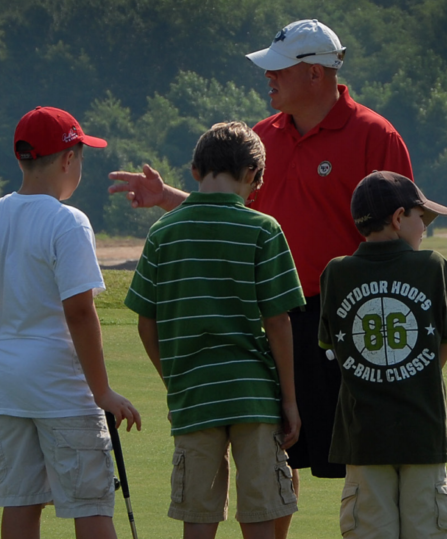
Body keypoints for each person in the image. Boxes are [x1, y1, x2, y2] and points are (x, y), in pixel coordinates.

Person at [107, 24, 414, 533]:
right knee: (276, 460)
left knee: (363, 458)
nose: (268, 76)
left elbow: (403, 235)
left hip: (348, 319)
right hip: (272, 323)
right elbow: (228, 219)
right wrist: (167, 199)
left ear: (315, 72)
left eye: (279, 67)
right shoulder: (262, 136)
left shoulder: (375, 136)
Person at [0, 106, 142, 539]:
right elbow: (79, 312)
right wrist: (103, 392)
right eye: (80, 155)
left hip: (9, 382)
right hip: (62, 387)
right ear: (67, 159)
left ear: (21, 159)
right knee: (90, 505)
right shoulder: (68, 221)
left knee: (20, 502)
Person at [123, 122, 303, 539]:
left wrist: (174, 380)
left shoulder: (162, 232)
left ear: (195, 170)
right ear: (253, 175)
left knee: (199, 517)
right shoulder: (263, 229)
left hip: (194, 395)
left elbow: (145, 322)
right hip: (254, 395)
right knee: (260, 513)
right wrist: (289, 401)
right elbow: (277, 321)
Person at [318, 171, 447, 539]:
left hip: (364, 435)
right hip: (423, 431)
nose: (425, 229)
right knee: (427, 530)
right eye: (423, 219)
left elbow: (333, 345)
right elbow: (446, 341)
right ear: (399, 218)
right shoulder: (433, 266)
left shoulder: (335, 273)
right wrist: (415, 376)